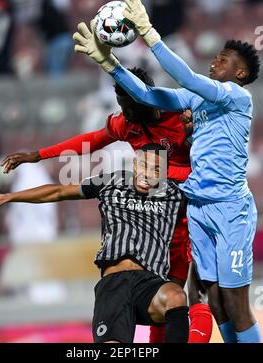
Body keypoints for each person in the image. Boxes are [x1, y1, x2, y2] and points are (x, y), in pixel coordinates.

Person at [71, 0, 261, 343]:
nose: (215, 61)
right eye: (216, 57)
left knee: (235, 300)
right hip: (199, 207)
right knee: (216, 302)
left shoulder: (236, 97)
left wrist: (149, 35)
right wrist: (110, 64)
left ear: (241, 74)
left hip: (230, 208)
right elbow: (146, 94)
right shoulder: (197, 99)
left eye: (224, 60)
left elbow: (185, 76)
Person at [0, 67, 213, 343]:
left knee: (185, 294)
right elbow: (91, 141)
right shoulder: (126, 124)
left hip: (184, 213)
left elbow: (208, 163)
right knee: (162, 296)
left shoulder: (181, 114)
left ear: (144, 98)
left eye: (127, 107)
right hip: (153, 217)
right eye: (121, 107)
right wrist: (39, 155)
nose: (124, 114)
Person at [0, 144, 189, 343]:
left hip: (149, 285)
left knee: (177, 296)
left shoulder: (175, 195)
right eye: (144, 166)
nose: (148, 174)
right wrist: (8, 197)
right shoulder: (112, 180)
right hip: (113, 286)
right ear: (134, 163)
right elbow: (59, 191)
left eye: (156, 170)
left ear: (165, 174)